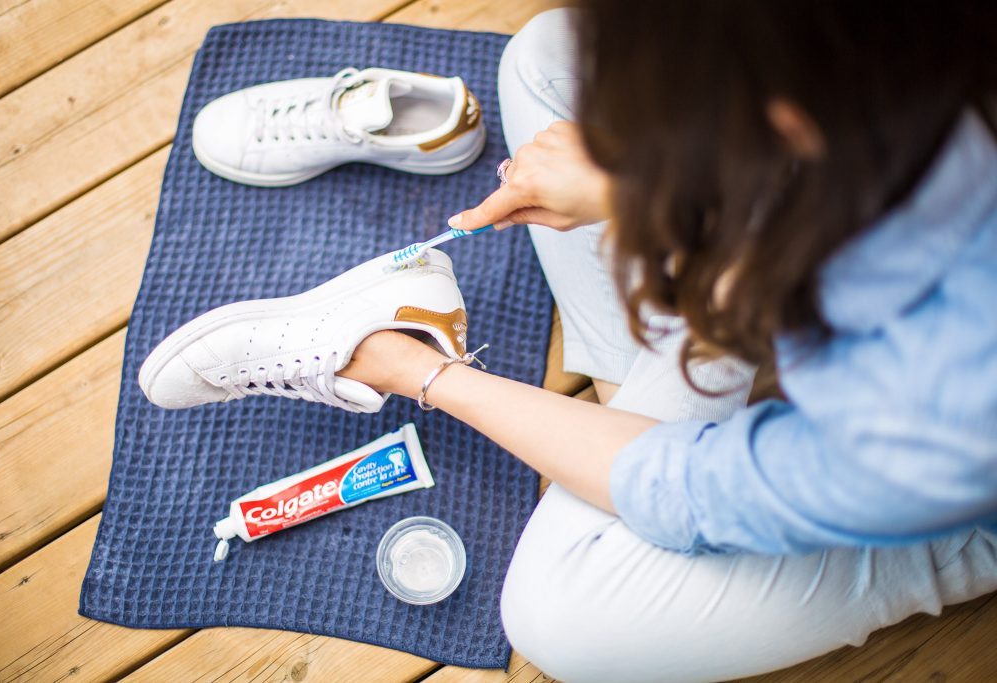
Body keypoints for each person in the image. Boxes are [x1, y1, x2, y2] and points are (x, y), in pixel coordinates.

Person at [339, 2, 997, 681]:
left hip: (925, 497)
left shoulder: (935, 407)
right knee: (548, 59)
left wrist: (425, 373)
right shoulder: (917, 86)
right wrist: (641, 185)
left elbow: (691, 489)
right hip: (845, 214)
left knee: (558, 618)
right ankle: (653, 390)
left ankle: (649, 397)